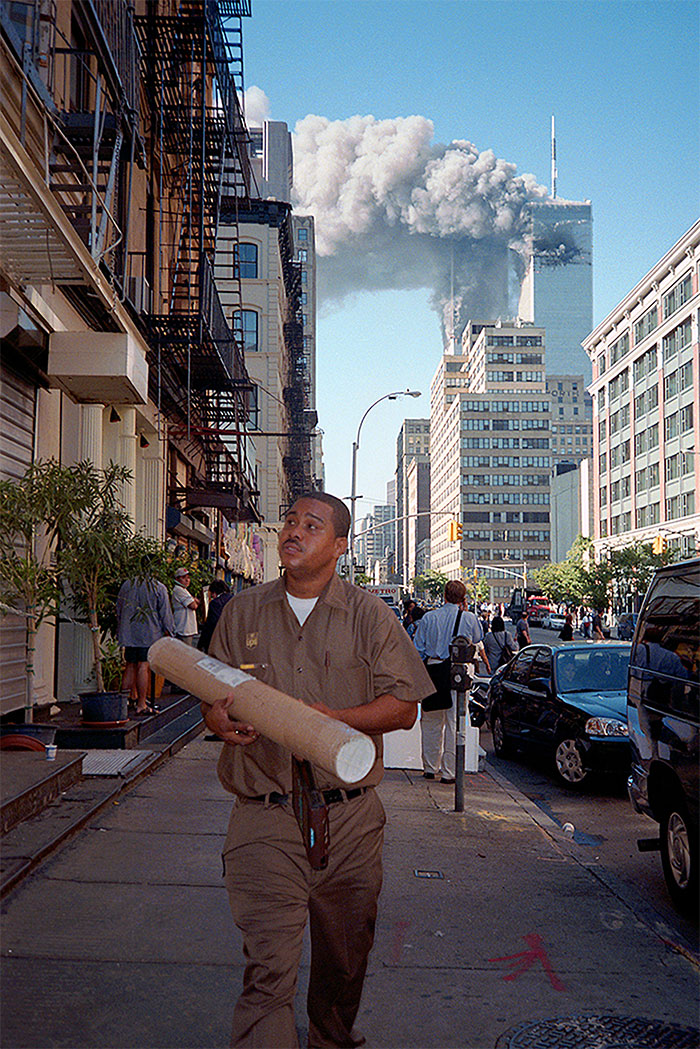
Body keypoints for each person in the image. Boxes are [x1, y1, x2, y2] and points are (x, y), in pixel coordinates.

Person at [203, 492, 433, 1049]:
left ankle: (331, 1037)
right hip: (265, 816)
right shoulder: (242, 612)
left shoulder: (369, 614)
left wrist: (338, 719)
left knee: (343, 963)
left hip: (349, 821)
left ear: (339, 546)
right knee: (267, 973)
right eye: (290, 522)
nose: (294, 532)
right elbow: (213, 698)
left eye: (312, 525)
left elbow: (404, 707)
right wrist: (221, 719)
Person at [413, 580, 483, 784]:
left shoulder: (429, 617)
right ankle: (449, 772)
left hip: (433, 671)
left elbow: (419, 648)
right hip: (457, 673)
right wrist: (466, 610)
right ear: (463, 599)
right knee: (454, 723)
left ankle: (429, 767)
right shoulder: (469, 618)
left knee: (431, 722)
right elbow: (478, 637)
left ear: (443, 595)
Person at [116, 558, 175, 715]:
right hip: (149, 632)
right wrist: (169, 631)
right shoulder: (158, 587)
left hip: (129, 632)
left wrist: (121, 628)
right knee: (143, 665)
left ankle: (123, 703)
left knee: (129, 665)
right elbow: (165, 613)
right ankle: (141, 703)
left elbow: (119, 608)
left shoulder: (127, 585)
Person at [198, 579, 234, 653]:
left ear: (214, 592)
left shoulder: (215, 603)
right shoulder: (233, 599)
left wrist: (201, 644)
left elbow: (211, 624)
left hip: (217, 640)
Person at [172, 566, 200, 646]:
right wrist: (194, 600)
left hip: (187, 629)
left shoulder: (184, 590)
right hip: (183, 628)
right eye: (184, 578)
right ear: (177, 579)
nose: (187, 580)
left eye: (188, 577)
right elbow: (193, 605)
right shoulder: (178, 590)